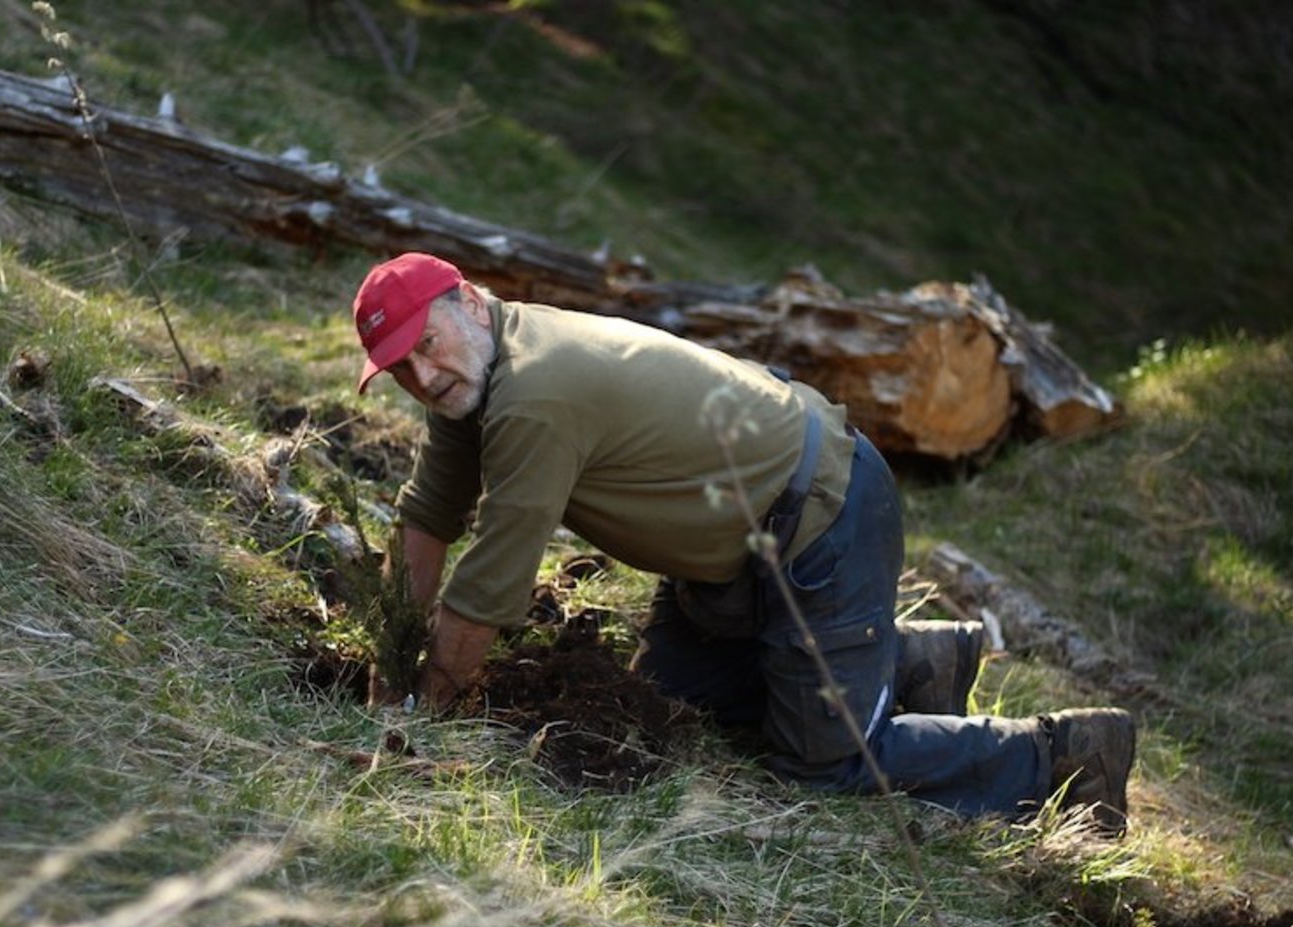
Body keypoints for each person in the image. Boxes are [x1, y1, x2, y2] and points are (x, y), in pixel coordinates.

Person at [352, 252, 1136, 832]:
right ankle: (913, 663)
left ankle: (1061, 757)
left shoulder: (533, 393)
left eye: (428, 344)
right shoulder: (473, 381)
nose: (422, 375)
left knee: (821, 765)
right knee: (673, 707)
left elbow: (492, 580)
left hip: (821, 517)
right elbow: (427, 515)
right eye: (400, 367)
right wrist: (396, 656)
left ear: (469, 303)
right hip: (730, 556)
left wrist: (426, 712)